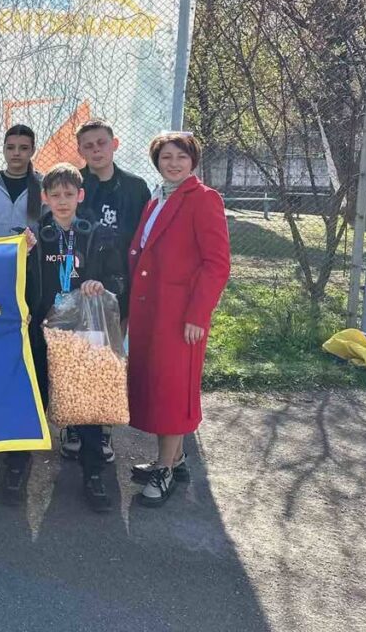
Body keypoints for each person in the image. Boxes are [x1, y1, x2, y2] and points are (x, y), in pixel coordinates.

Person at [127, 133, 230, 508]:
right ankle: (174, 458)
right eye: (166, 157)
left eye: (181, 157)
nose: (173, 163)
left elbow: (216, 264)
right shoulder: (157, 198)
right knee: (159, 388)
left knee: (172, 391)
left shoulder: (203, 199)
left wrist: (197, 314)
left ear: (193, 161)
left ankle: (164, 471)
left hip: (180, 315)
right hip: (152, 311)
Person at [19, 163, 125, 512]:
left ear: (80, 196)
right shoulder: (34, 236)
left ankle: (93, 473)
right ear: (45, 198)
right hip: (42, 328)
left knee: (86, 405)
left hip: (83, 330)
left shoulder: (98, 235)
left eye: (69, 194)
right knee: (32, 397)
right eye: (55, 195)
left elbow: (118, 279)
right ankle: (16, 465)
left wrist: (101, 284)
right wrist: (22, 253)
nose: (62, 201)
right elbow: (15, 278)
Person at [66, 117, 151, 465]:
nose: (96, 150)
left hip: (117, 291)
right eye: (88, 146)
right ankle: (73, 425)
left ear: (114, 144)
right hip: (78, 289)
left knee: (109, 361)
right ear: (80, 150)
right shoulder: (74, 183)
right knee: (75, 359)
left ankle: (103, 429)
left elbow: (145, 240)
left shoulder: (135, 187)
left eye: (101, 143)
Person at [0, 124, 44, 241]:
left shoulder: (43, 186)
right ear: (4, 150)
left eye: (24, 148)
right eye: (10, 148)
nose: (16, 153)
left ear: (32, 151)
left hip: (31, 252)